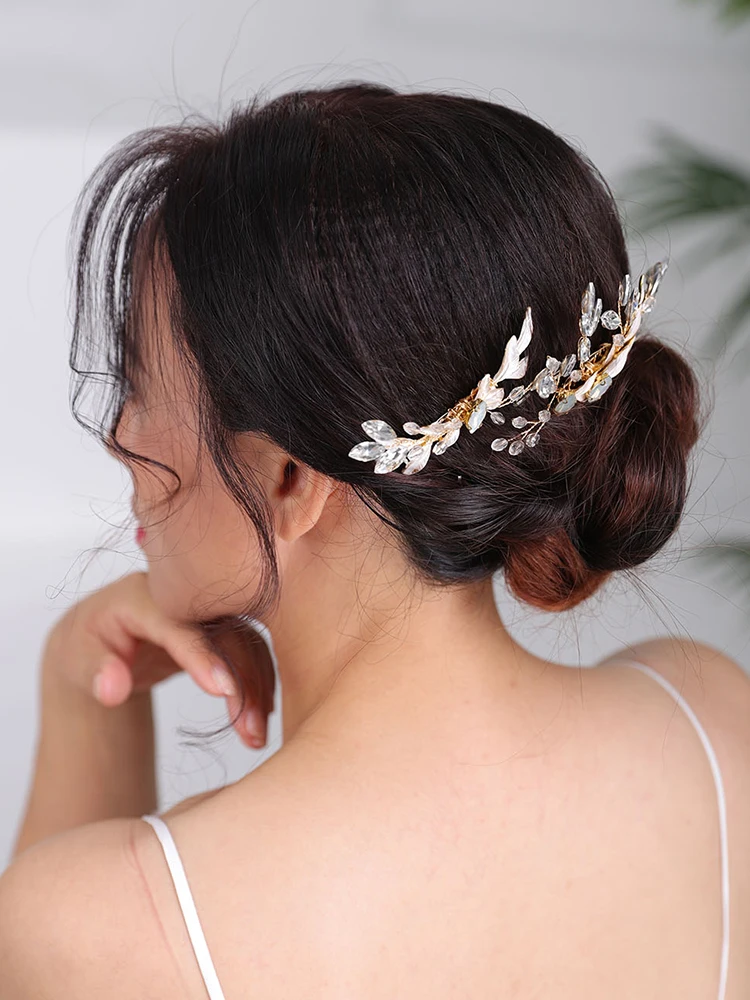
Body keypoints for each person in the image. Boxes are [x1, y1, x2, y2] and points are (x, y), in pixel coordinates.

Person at [1, 82, 748, 1000]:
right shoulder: (711, 721)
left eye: (142, 385)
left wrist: (84, 701)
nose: (121, 435)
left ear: (292, 479)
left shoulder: (109, 924)